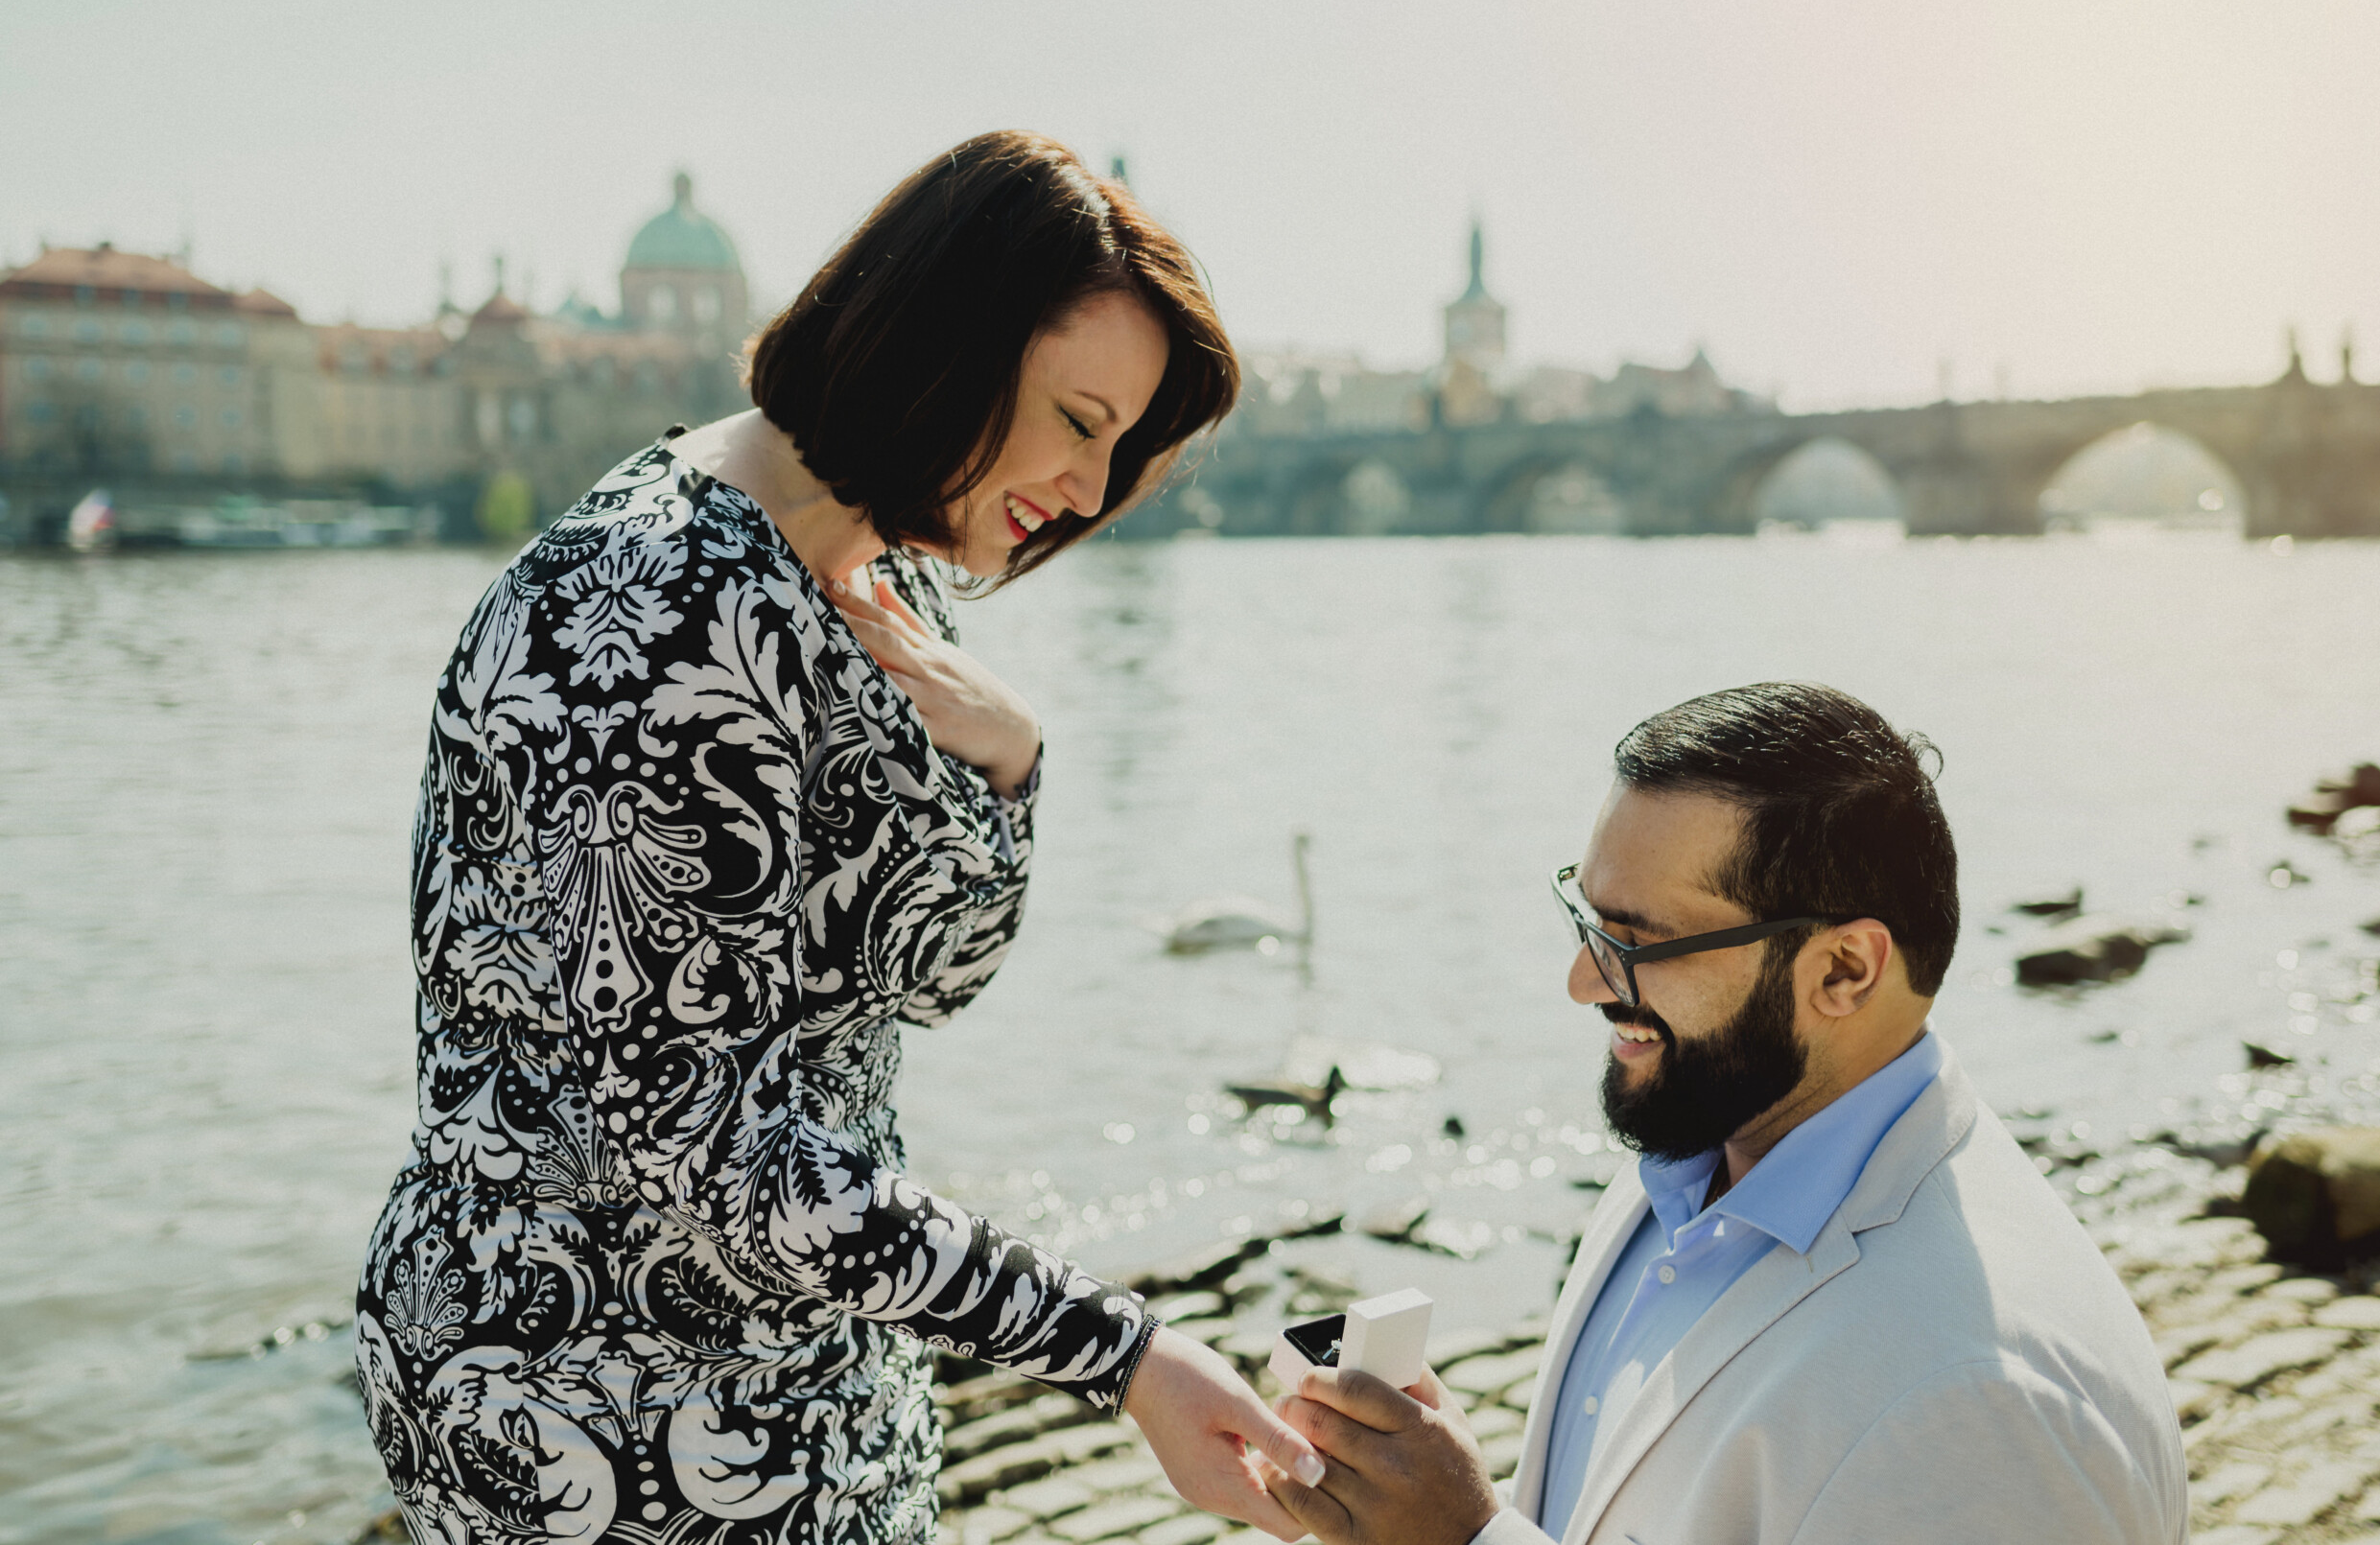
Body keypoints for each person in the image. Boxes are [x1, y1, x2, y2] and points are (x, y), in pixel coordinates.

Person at [355, 131, 1325, 1545]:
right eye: (1079, 416)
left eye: (1122, 448)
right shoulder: (664, 608)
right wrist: (1121, 1354)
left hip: (792, 1359)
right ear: (948, 338)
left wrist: (1009, 760)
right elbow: (702, 1152)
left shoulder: (869, 573)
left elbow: (931, 977)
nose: (1095, 485)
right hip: (594, 1397)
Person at [1265, 683, 2186, 1545]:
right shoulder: (1692, 1157)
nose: (1584, 980)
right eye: (1590, 922)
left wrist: (1467, 1537)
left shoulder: (1978, 1401)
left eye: (1641, 941)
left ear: (1843, 970)